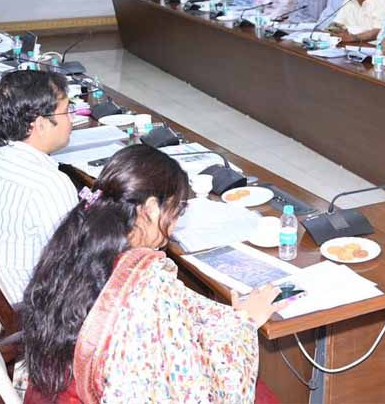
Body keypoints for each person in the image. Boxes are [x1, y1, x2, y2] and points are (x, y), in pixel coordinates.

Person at [22, 146, 286, 404]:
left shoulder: (77, 240)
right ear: (149, 209)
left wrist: (229, 319)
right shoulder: (146, 285)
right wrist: (245, 323)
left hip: (58, 386)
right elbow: (187, 385)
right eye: (177, 211)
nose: (176, 223)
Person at [0, 70, 78, 302]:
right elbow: (73, 262)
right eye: (66, 111)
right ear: (41, 124)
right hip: (29, 305)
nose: (72, 120)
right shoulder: (48, 185)